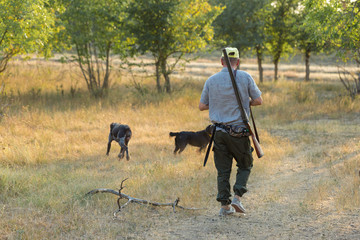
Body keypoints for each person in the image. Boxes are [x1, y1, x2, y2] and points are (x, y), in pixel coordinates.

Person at [199, 47, 263, 216]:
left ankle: (225, 207)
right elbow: (258, 100)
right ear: (238, 62)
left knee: (223, 170)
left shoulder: (211, 80)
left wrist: (219, 103)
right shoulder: (245, 77)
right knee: (245, 165)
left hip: (219, 133)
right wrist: (243, 103)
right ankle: (237, 197)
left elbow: (202, 106)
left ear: (221, 61)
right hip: (239, 132)